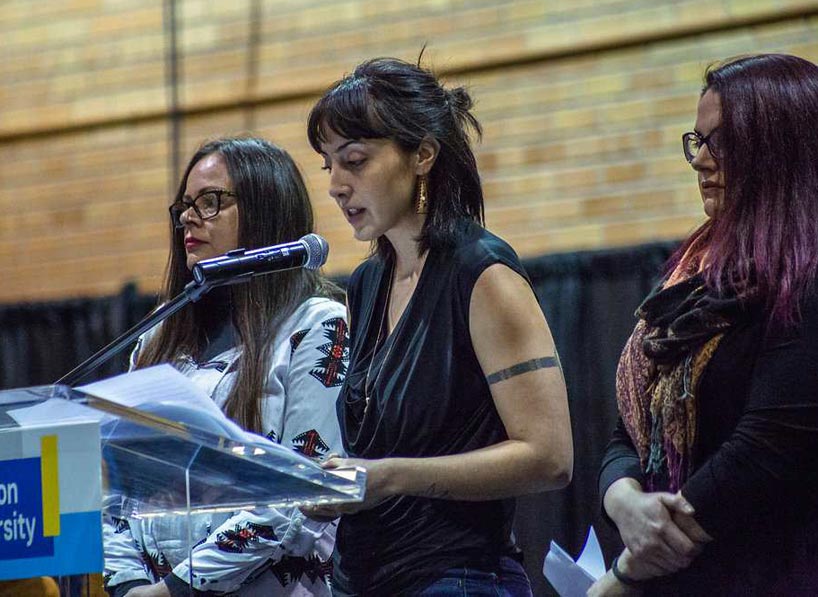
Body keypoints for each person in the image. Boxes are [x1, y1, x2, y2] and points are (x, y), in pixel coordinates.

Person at [302, 56, 574, 596]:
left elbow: (549, 457)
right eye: (328, 164)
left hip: (459, 579)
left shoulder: (483, 273)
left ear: (423, 154)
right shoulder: (366, 283)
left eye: (354, 160)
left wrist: (392, 475)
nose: (335, 184)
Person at [592, 54, 818, 596]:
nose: (700, 161)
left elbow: (764, 450)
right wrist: (623, 501)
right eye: (698, 141)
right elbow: (630, 428)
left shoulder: (807, 275)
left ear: (779, 147)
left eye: (721, 141)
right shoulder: (691, 274)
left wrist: (630, 570)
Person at [102, 137, 349, 597]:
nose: (189, 218)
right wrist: (129, 585)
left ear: (264, 211)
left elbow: (303, 491)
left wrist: (176, 590)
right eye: (186, 205)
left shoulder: (315, 324)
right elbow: (116, 495)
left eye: (212, 202)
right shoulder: (156, 343)